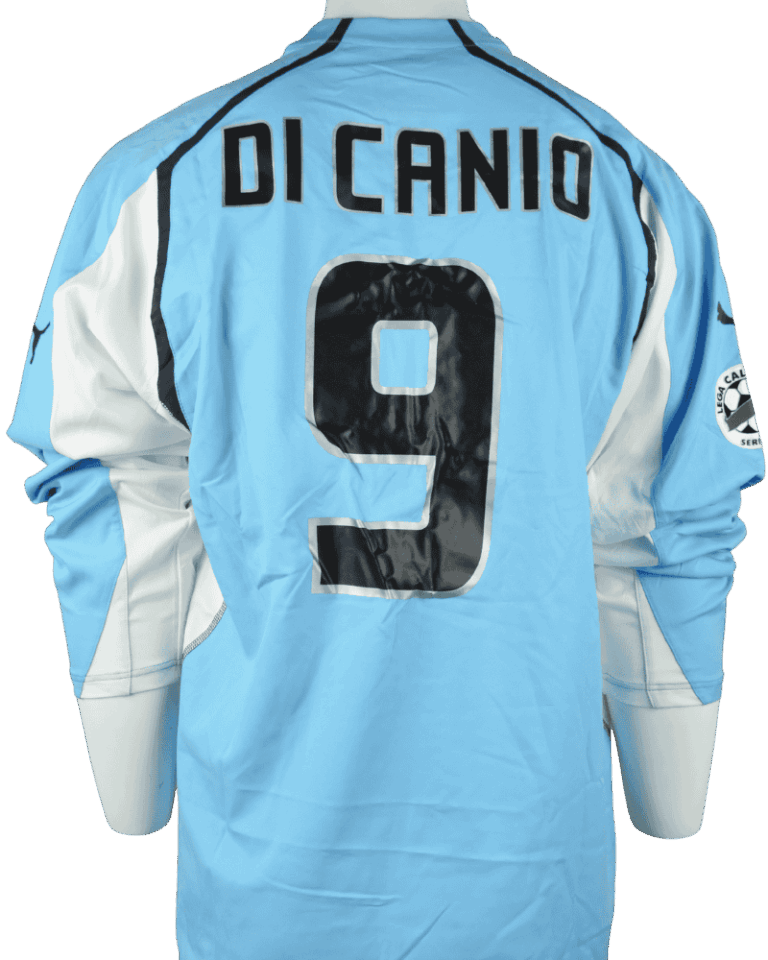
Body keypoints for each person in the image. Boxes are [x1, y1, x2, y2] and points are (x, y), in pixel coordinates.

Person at [4, 1, 765, 958]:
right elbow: (673, 501)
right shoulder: (627, 186)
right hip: (527, 873)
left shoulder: (160, 179)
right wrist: (671, 785)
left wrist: (131, 770)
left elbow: (103, 469)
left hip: (267, 875)